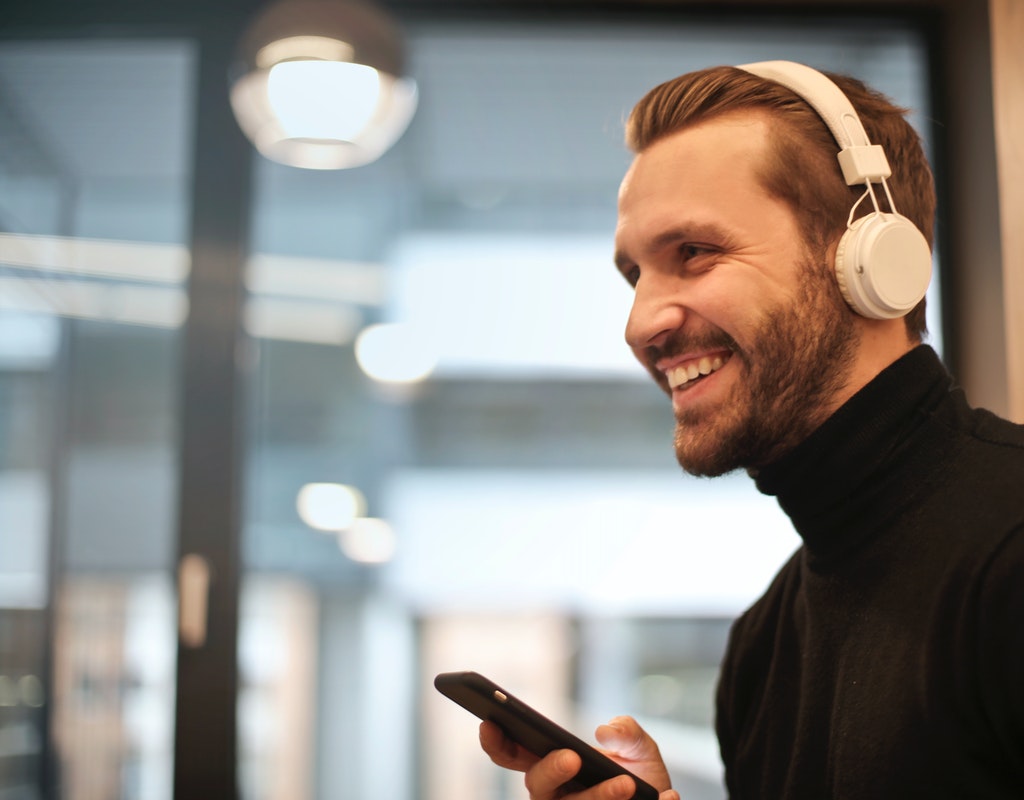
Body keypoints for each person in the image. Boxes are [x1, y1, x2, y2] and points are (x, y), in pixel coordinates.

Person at [478, 61, 1024, 799]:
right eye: (635, 276)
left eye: (694, 254)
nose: (642, 325)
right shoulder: (764, 646)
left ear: (872, 260)